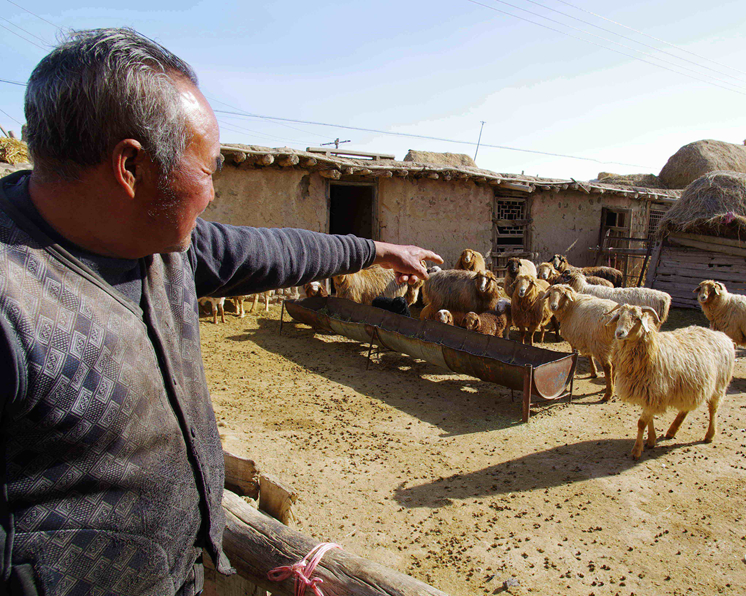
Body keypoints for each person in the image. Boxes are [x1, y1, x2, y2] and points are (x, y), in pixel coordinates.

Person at [0, 28, 442, 596]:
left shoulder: (158, 244)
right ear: (129, 168)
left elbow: (277, 251)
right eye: (206, 171)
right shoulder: (14, 304)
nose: (211, 194)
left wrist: (375, 250)